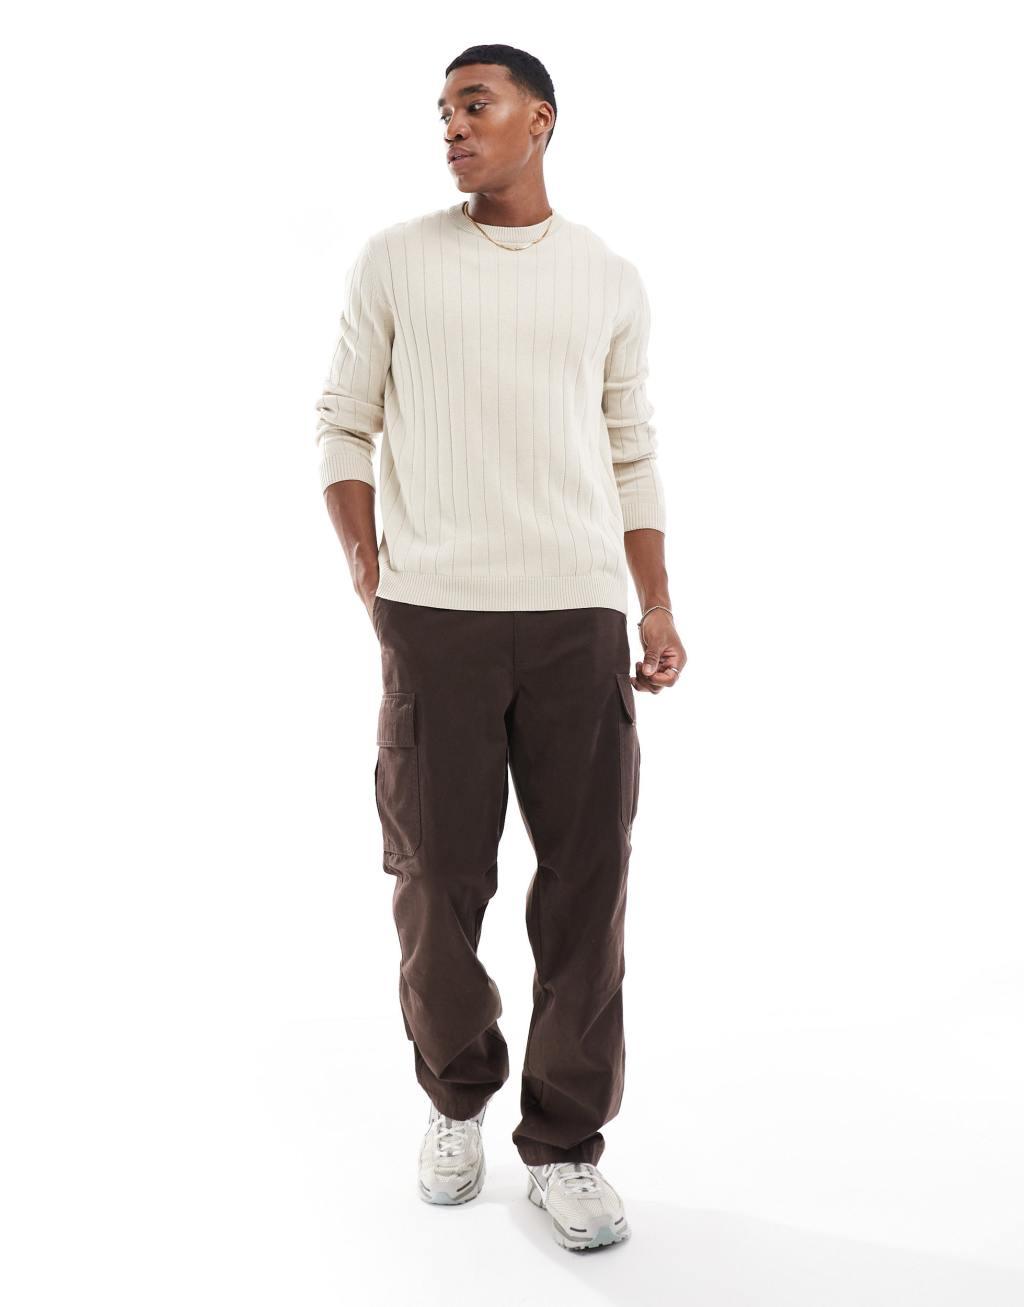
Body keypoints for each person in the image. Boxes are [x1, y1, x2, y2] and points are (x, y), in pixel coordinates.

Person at [315, 43, 686, 1253]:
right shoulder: (395, 260)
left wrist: (654, 605)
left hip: (578, 619)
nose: (452, 128)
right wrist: (372, 574)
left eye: (474, 106)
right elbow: (342, 423)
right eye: (442, 112)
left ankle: (565, 1145)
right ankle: (455, 1093)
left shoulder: (607, 278)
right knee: (434, 880)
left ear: (541, 120)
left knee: (588, 885)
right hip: (436, 619)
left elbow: (630, 448)